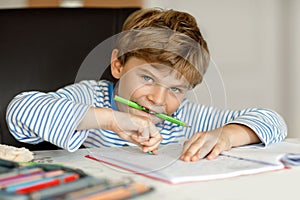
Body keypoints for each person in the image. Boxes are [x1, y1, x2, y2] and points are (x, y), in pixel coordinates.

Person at [6, 8, 287, 162]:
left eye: (175, 89)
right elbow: (20, 112)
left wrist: (225, 136)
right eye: (148, 78)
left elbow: (273, 122)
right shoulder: (89, 95)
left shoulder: (185, 117)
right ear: (118, 65)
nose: (158, 98)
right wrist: (110, 120)